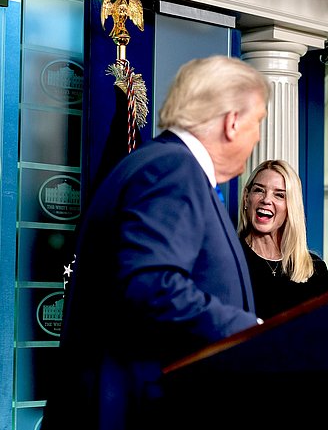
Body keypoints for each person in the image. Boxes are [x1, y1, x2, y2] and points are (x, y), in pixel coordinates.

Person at [41, 55, 270, 430]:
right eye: (257, 121)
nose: (258, 136)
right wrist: (248, 329)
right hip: (133, 410)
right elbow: (150, 285)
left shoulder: (154, 162)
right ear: (232, 122)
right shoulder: (173, 168)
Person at [238, 159, 328, 320]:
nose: (266, 200)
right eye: (259, 190)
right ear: (247, 198)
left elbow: (327, 329)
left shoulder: (315, 269)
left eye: (279, 195)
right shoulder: (229, 259)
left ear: (291, 207)